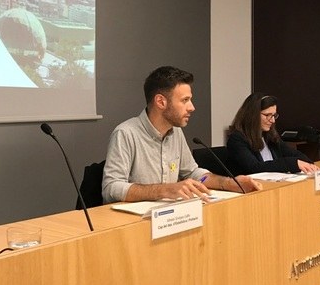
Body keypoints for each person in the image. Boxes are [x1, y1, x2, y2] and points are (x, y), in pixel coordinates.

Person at [101, 66, 261, 204]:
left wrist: (229, 183)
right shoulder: (126, 133)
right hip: (135, 222)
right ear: (161, 102)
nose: (192, 107)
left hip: (170, 215)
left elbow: (193, 174)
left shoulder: (175, 132)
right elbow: (111, 188)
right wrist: (164, 190)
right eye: (185, 100)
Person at [226, 93, 319, 175]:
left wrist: (304, 163)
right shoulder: (237, 139)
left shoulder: (269, 136)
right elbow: (254, 168)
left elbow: (297, 156)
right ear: (252, 115)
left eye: (274, 115)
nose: (272, 120)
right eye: (267, 115)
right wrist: (292, 163)